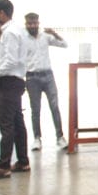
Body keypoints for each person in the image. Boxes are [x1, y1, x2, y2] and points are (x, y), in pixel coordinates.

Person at [0, 0, 31, 180]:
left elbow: (10, 61)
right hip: (15, 81)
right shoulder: (17, 31)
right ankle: (23, 161)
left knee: (6, 124)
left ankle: (3, 166)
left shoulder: (9, 33)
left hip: (9, 81)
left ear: (1, 13)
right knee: (17, 122)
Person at [23, 12, 68, 150]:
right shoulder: (22, 38)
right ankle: (37, 139)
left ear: (38, 23)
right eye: (30, 23)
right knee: (35, 109)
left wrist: (54, 33)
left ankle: (60, 137)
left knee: (54, 107)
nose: (33, 25)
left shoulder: (45, 37)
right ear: (26, 24)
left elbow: (64, 44)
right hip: (31, 77)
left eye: (35, 23)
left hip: (48, 76)